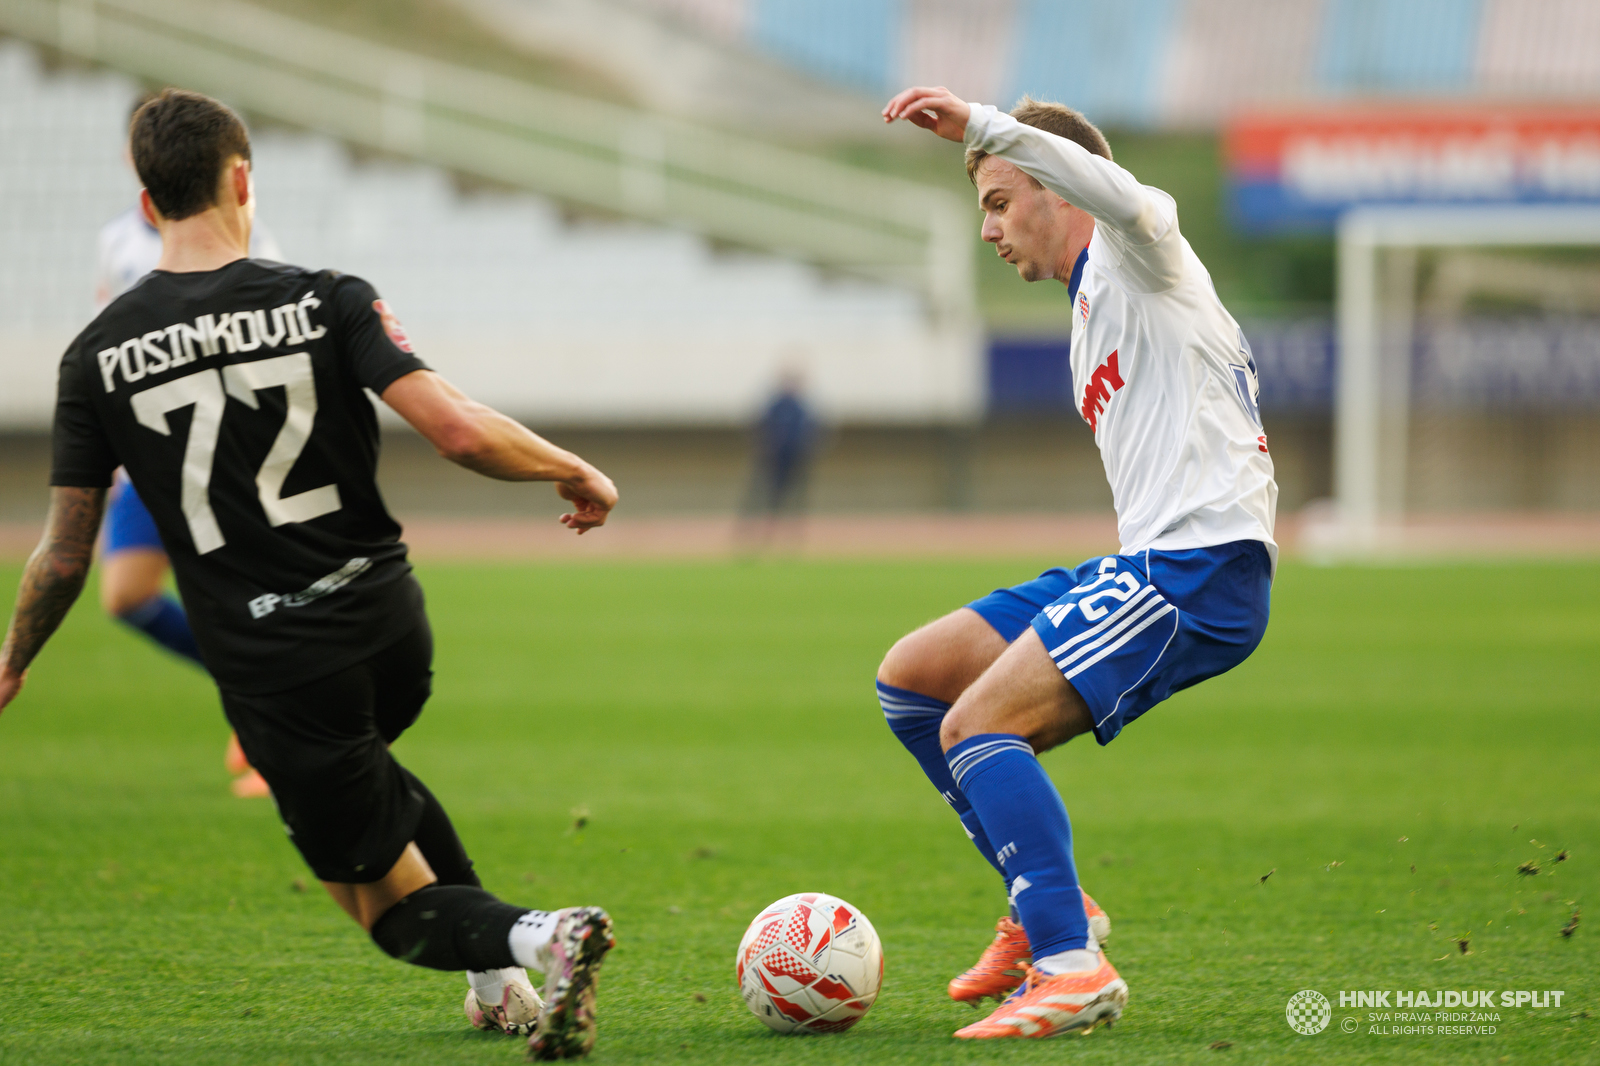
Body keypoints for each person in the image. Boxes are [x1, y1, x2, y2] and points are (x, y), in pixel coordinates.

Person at [0, 89, 620, 1059]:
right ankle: (496, 983)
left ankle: (538, 937)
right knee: (369, 771)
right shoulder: (325, 294)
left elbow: (68, 550)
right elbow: (456, 429)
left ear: (146, 197)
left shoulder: (93, 357)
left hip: (274, 661)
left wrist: (13, 659)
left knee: (384, 909)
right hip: (389, 623)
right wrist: (569, 467)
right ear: (240, 178)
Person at [878, 87, 1277, 1040]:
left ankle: (1069, 964)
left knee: (979, 725)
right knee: (916, 683)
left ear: (1059, 189)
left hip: (1200, 569)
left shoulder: (1142, 255)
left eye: (999, 201)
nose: (988, 228)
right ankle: (1051, 902)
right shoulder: (1086, 305)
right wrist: (993, 156)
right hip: (1149, 560)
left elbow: (1124, 196)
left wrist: (981, 127)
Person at [95, 96, 285, 798]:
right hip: (143, 449)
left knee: (243, 601)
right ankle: (245, 682)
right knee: (127, 595)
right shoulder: (117, 240)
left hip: (216, 450)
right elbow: (105, 323)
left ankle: (276, 739)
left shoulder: (248, 242)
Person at [738, 367, 819, 550]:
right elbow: (758, 429)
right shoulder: (774, 406)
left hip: (794, 462)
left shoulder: (801, 409)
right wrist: (764, 449)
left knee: (794, 502)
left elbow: (811, 434)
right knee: (759, 499)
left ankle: (790, 540)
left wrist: (805, 452)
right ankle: (751, 537)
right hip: (770, 462)